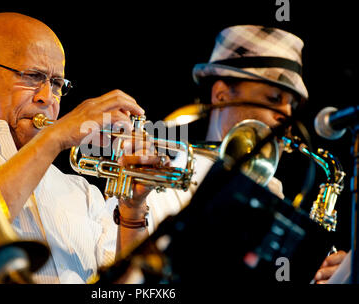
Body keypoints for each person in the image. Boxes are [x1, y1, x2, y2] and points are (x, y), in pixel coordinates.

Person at [0, 13, 162, 284]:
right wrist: (56, 136)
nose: (47, 98)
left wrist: (133, 211)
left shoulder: (83, 192)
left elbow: (127, 289)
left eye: (56, 84)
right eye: (32, 76)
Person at [140, 25, 346, 284]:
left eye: (292, 105)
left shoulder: (280, 203)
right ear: (221, 94)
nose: (287, 114)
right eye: (273, 98)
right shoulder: (157, 189)